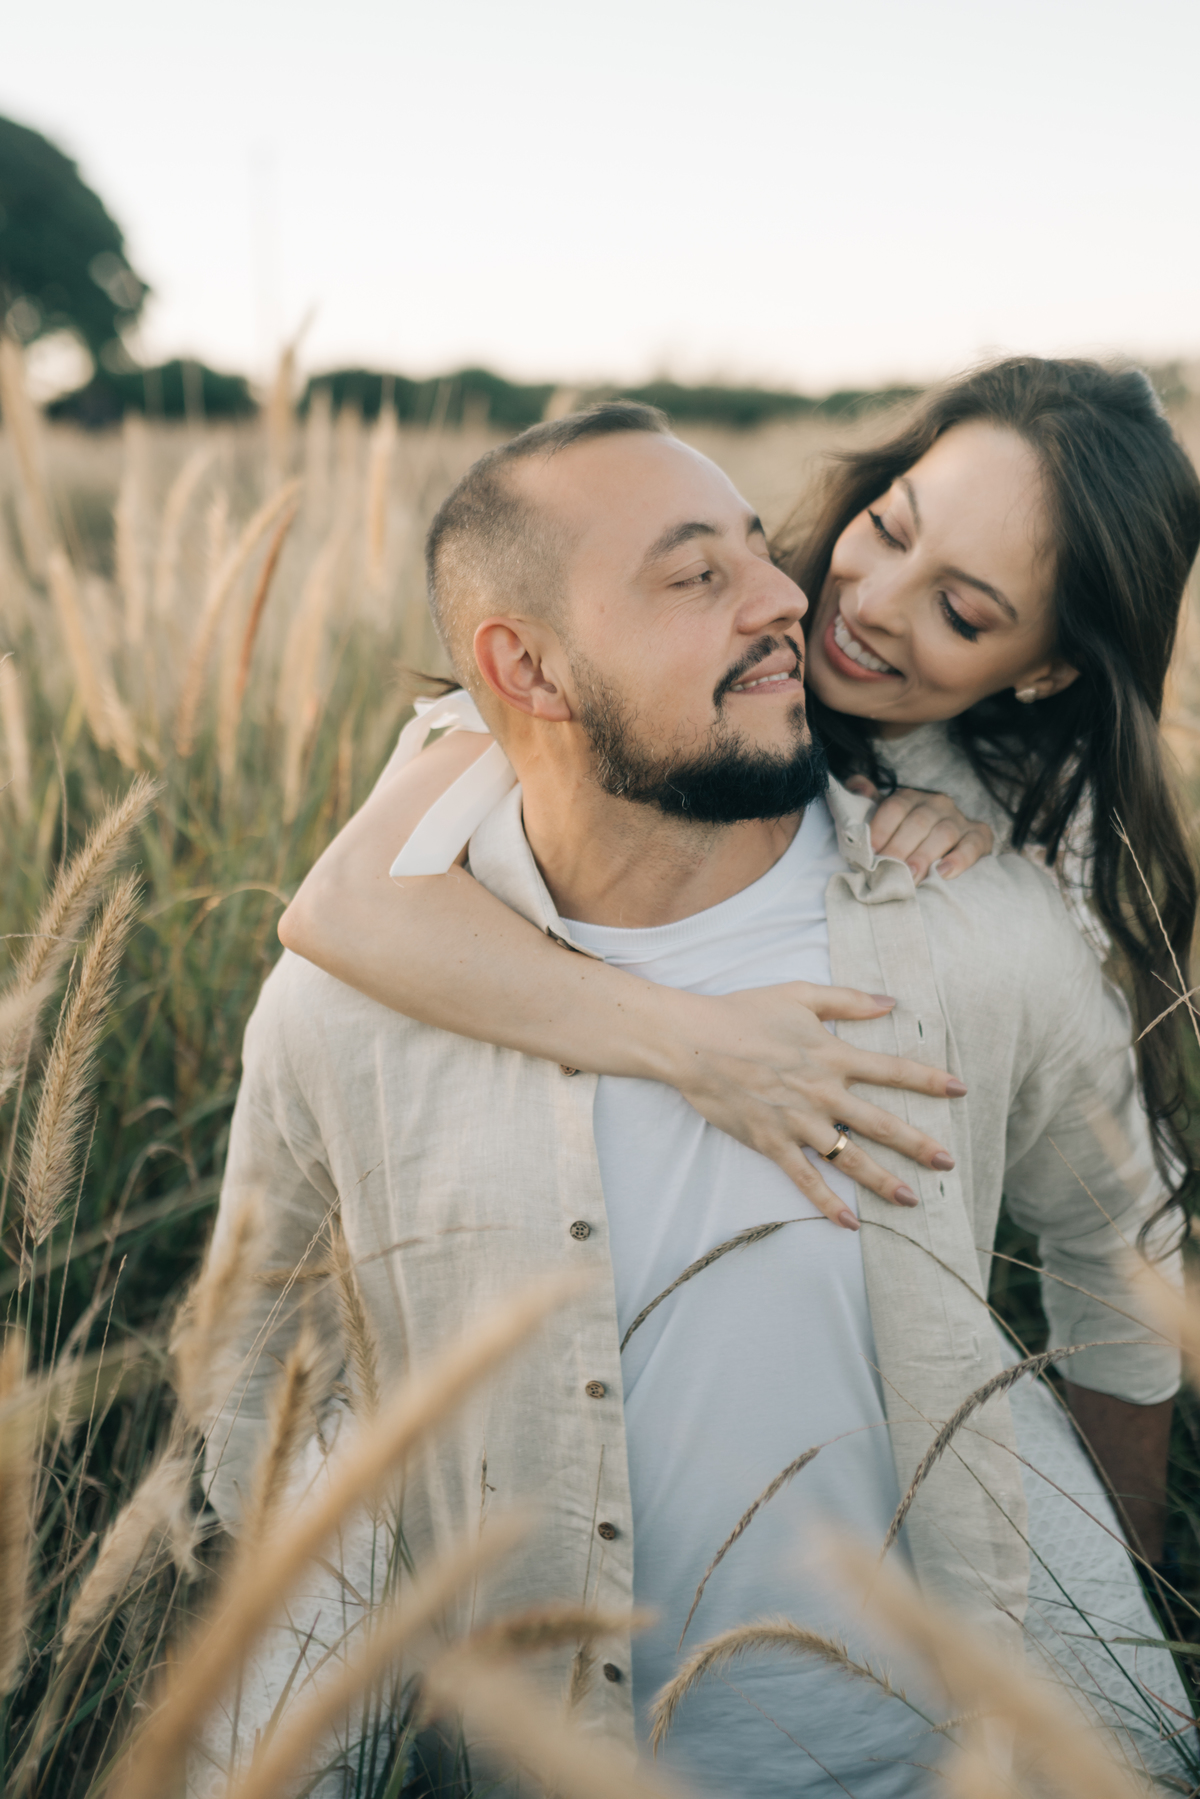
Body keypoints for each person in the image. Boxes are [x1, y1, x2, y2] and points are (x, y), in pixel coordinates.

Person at [209, 398, 1190, 1797]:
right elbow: (342, 913)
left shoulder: (986, 911)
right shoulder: (426, 878)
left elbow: (1121, 1250)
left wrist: (1107, 1605)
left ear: (1037, 675)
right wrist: (690, 1042)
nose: (839, 606)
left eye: (966, 611)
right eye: (888, 530)